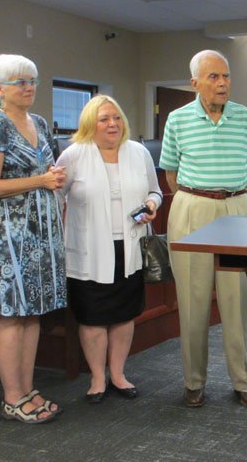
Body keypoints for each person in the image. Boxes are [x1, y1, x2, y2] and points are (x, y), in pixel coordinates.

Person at [159, 49, 247, 408]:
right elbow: (171, 174)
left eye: (226, 76)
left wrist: (226, 195)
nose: (222, 83)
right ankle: (194, 382)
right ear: (195, 83)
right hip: (192, 208)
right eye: (214, 77)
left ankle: (242, 380)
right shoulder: (177, 119)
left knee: (237, 300)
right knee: (193, 299)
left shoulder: (245, 117)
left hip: (236, 206)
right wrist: (200, 198)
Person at [0, 54, 67, 424]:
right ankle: (12, 397)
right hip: (9, 234)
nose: (29, 87)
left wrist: (54, 178)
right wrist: (40, 181)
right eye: (20, 82)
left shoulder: (40, 122)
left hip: (42, 232)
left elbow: (48, 168)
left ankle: (27, 389)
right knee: (13, 315)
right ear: (0, 89)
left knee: (32, 315)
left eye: (32, 80)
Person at [55, 95, 162, 403]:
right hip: (88, 248)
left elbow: (155, 190)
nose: (112, 124)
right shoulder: (74, 155)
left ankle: (118, 374)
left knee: (124, 315)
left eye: (116, 118)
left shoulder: (138, 153)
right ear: (91, 123)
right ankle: (97, 379)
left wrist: (152, 204)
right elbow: (56, 196)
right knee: (92, 317)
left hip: (128, 247)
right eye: (104, 119)